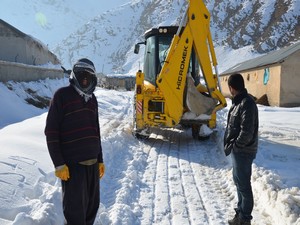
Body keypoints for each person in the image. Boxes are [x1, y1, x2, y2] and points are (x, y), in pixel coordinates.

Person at [45, 58, 105, 225]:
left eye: (88, 75)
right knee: (75, 213)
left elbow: (96, 131)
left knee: (92, 208)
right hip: (72, 168)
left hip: (92, 166)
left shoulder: (93, 100)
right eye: (81, 74)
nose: (85, 78)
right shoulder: (62, 96)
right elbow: (51, 131)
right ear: (74, 75)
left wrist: (100, 160)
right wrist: (58, 164)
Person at [223, 73, 259, 225]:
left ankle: (245, 219)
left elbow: (247, 131)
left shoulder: (247, 103)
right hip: (239, 150)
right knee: (238, 182)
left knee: (244, 185)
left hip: (244, 151)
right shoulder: (239, 102)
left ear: (232, 88)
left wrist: (236, 146)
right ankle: (240, 214)